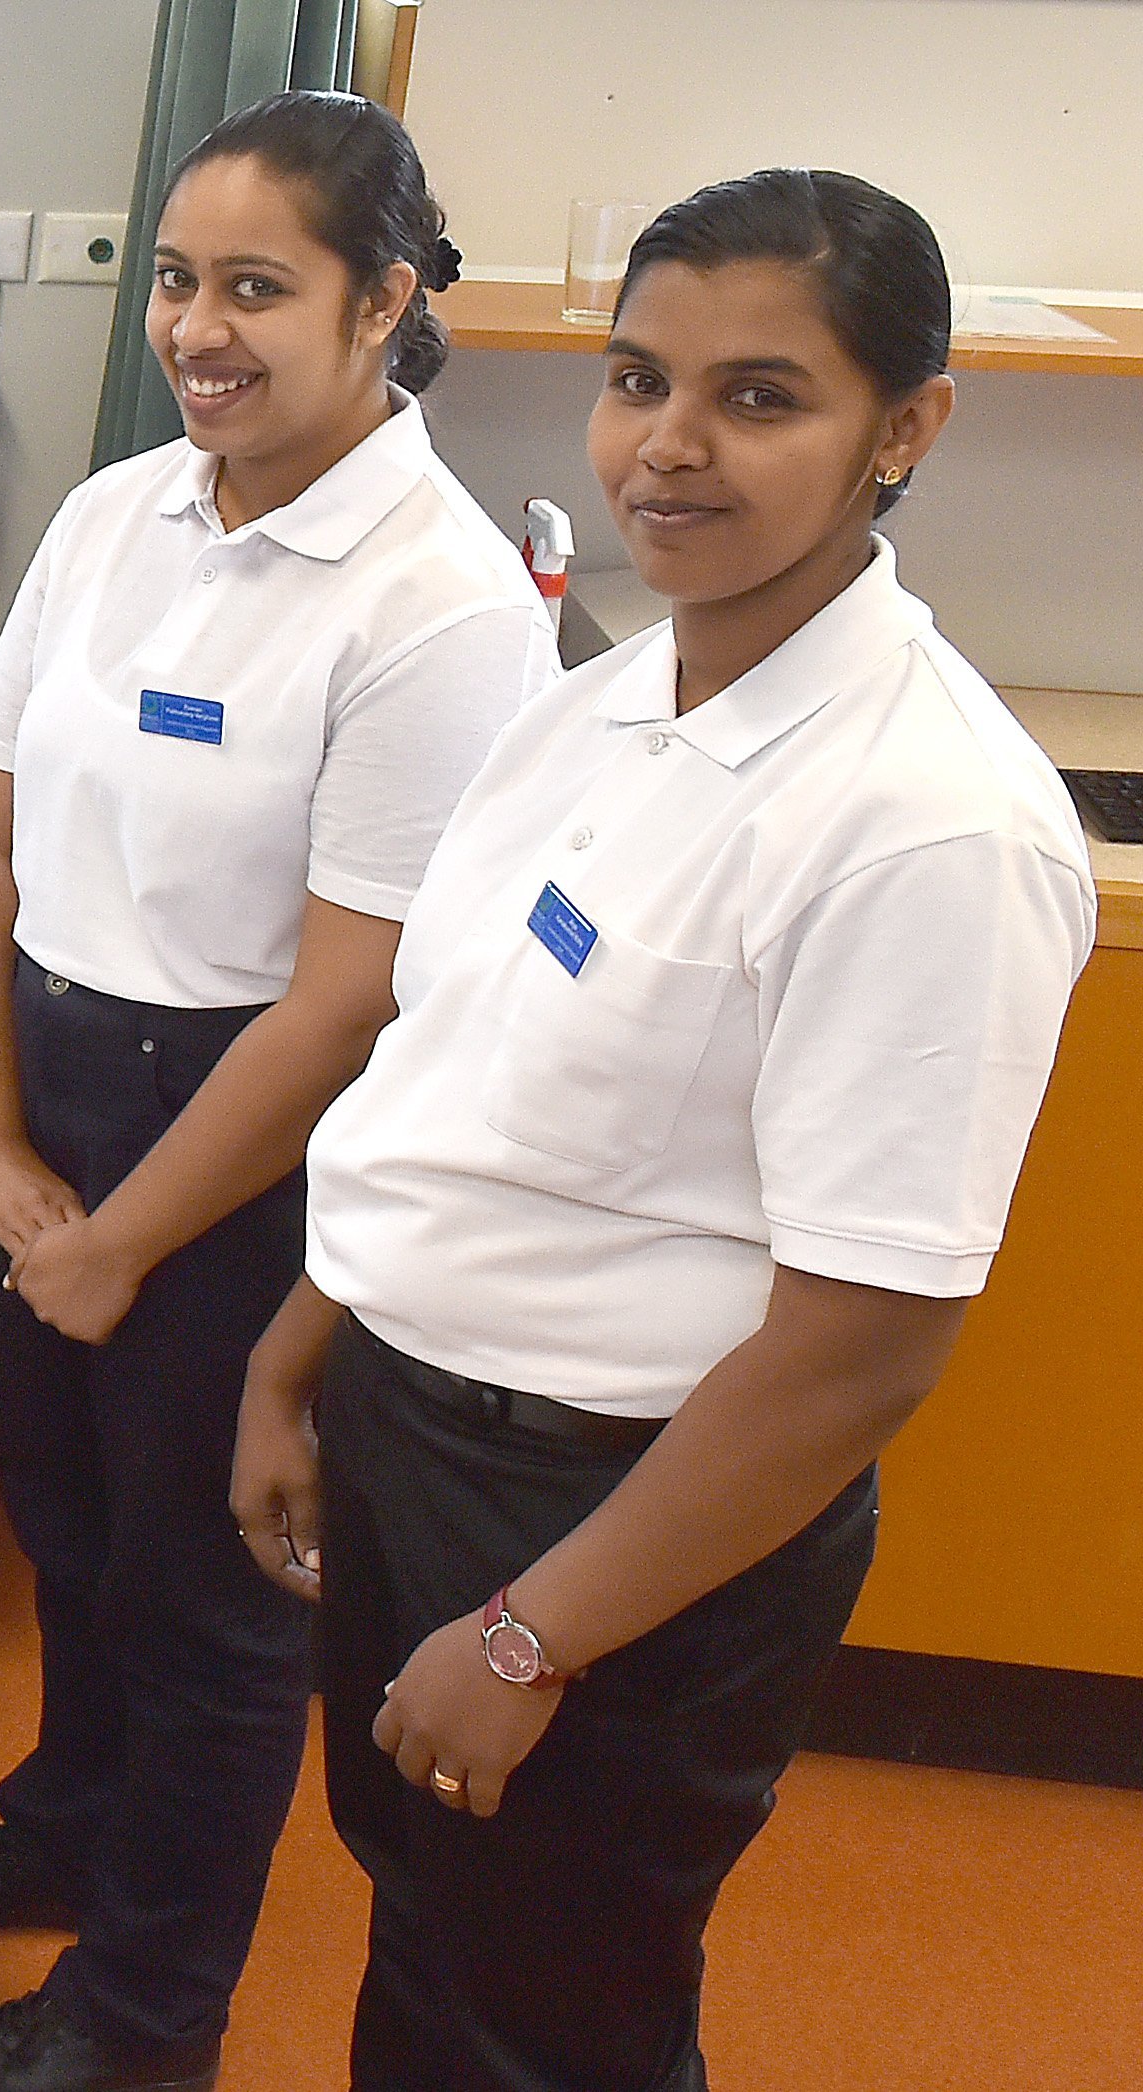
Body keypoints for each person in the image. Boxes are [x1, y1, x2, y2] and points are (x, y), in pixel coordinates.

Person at [233, 168, 1088, 2092]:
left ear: (908, 427)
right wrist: (305, 1359)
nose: (670, 448)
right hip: (417, 1426)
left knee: (553, 2015)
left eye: (761, 397)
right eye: (638, 379)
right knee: (438, 1944)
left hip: (614, 1525)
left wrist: (533, 1640)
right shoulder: (612, 695)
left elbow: (861, 1347)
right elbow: (450, 1070)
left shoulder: (927, 820)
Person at [0, 92, 559, 2092]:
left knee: (215, 1606)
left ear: (384, 300)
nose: (197, 326)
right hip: (58, 1086)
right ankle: (68, 1826)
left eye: (258, 285)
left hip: (246, 1145)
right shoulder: (117, 513)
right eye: (176, 278)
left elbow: (346, 1002)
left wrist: (128, 1237)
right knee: (61, 1520)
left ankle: (144, 2019)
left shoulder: (436, 598)